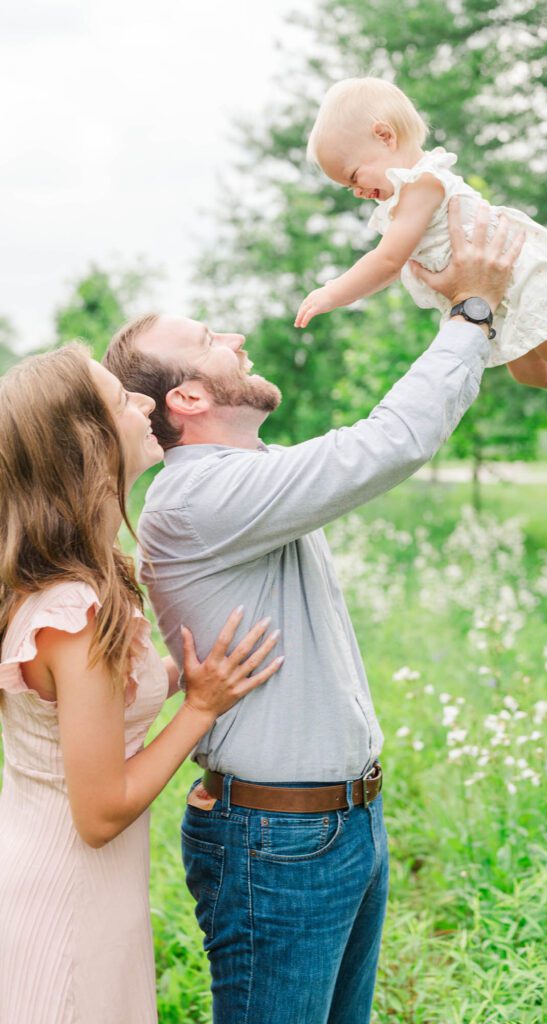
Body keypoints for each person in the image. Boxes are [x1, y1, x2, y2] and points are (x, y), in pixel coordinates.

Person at [102, 200, 521, 1024]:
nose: (235, 336)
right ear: (184, 397)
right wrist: (472, 313)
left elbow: (381, 442)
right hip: (276, 843)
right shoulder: (197, 498)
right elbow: (388, 441)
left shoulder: (257, 476)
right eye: (209, 338)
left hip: (338, 828)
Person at [0, 344, 283, 1024]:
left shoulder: (79, 583)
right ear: (88, 443)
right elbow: (99, 813)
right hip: (67, 890)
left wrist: (173, 676)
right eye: (123, 401)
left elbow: (96, 710)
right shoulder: (73, 613)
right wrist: (202, 707)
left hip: (75, 880)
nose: (147, 403)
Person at [296, 76, 547, 492]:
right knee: (529, 373)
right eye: (347, 186)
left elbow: (387, 260)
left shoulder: (423, 183)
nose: (355, 191)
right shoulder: (404, 197)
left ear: (385, 136)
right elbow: (396, 263)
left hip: (525, 278)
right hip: (499, 291)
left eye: (353, 175)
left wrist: (334, 291)